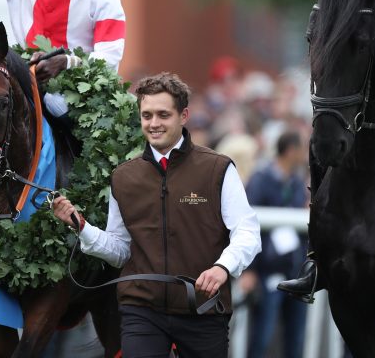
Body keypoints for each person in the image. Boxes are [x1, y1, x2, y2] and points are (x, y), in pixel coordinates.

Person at [52, 72, 261, 357]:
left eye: (163, 114)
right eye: (147, 115)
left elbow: (248, 232)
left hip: (203, 309)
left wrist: (222, 267)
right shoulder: (124, 177)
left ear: (184, 115)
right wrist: (82, 227)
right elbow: (120, 250)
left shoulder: (218, 168)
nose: (154, 123)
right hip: (141, 312)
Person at [243, 131, 308, 358]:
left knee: (296, 339)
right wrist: (249, 270)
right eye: (301, 149)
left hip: (295, 273)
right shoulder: (260, 180)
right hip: (267, 273)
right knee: (262, 336)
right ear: (291, 151)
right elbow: (247, 226)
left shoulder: (298, 183)